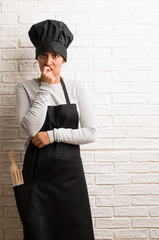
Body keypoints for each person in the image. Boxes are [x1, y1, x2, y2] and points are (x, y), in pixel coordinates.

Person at [14, 19, 96, 240]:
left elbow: (90, 132)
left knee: (75, 232)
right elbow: (30, 128)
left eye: (55, 56)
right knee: (39, 232)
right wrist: (46, 88)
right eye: (43, 55)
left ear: (63, 59)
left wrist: (53, 135)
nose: (48, 62)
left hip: (70, 178)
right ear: (37, 57)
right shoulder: (25, 88)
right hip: (38, 176)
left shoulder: (76, 88)